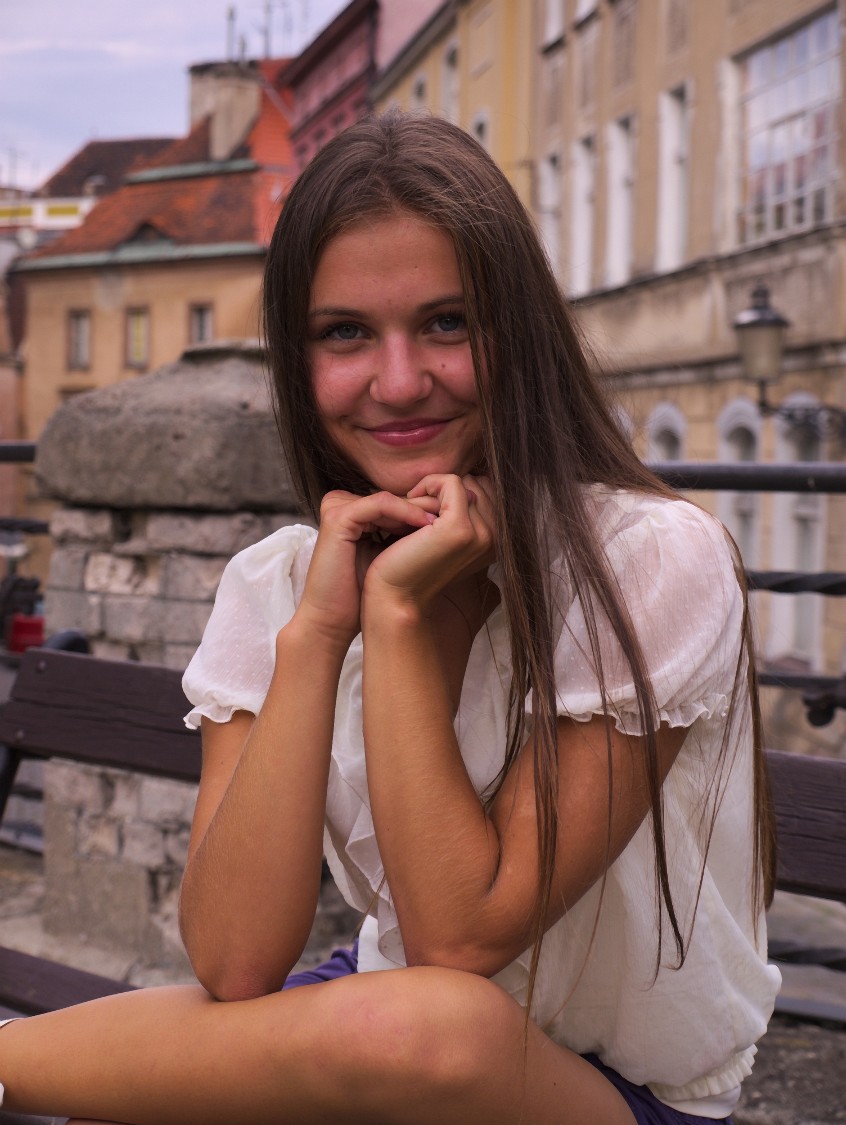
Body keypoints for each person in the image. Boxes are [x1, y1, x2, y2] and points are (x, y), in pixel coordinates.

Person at [0, 112, 779, 1125]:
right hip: (378, 1031)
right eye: (345, 333)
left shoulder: (650, 561)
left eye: (448, 323)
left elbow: (460, 943)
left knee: (429, 1029)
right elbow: (234, 962)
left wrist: (399, 614)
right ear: (297, 359)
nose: (401, 382)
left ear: (518, 335)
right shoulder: (279, 583)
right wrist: (320, 635)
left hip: (611, 1092)